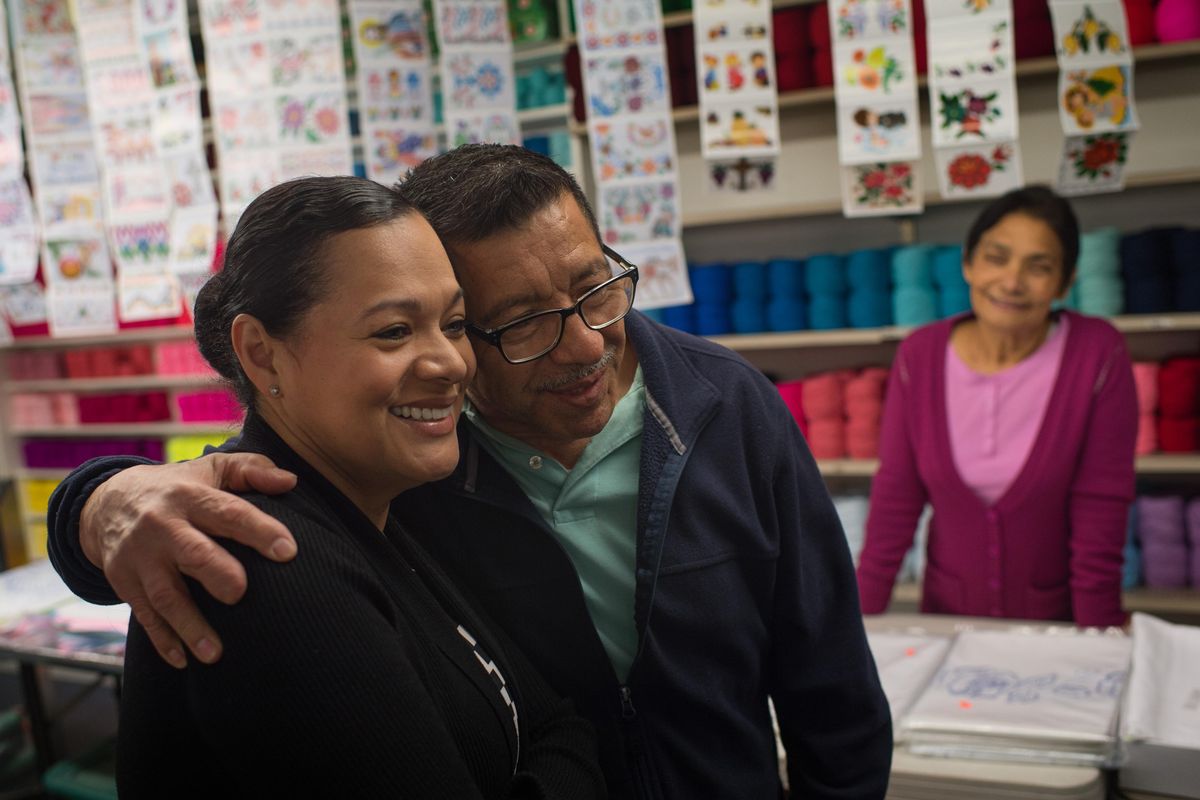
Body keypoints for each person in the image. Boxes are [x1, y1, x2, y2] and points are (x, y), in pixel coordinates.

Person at [48, 145, 892, 799]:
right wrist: (97, 499)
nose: (588, 344)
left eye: (595, 287)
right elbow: (247, 484)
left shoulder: (725, 406)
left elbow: (832, 687)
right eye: (519, 323)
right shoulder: (412, 463)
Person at [114, 176, 604, 797]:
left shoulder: (371, 506)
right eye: (394, 332)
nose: (450, 363)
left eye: (454, 324)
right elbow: (559, 737)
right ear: (262, 355)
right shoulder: (267, 561)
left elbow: (558, 722)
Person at [856, 186, 1137, 628]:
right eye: (996, 257)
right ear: (968, 263)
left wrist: (1096, 636)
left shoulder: (1097, 354)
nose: (1011, 281)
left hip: (1058, 624)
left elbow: (1100, 505)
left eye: (1038, 266)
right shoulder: (920, 355)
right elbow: (896, 496)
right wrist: (854, 624)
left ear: (1065, 283)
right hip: (947, 621)